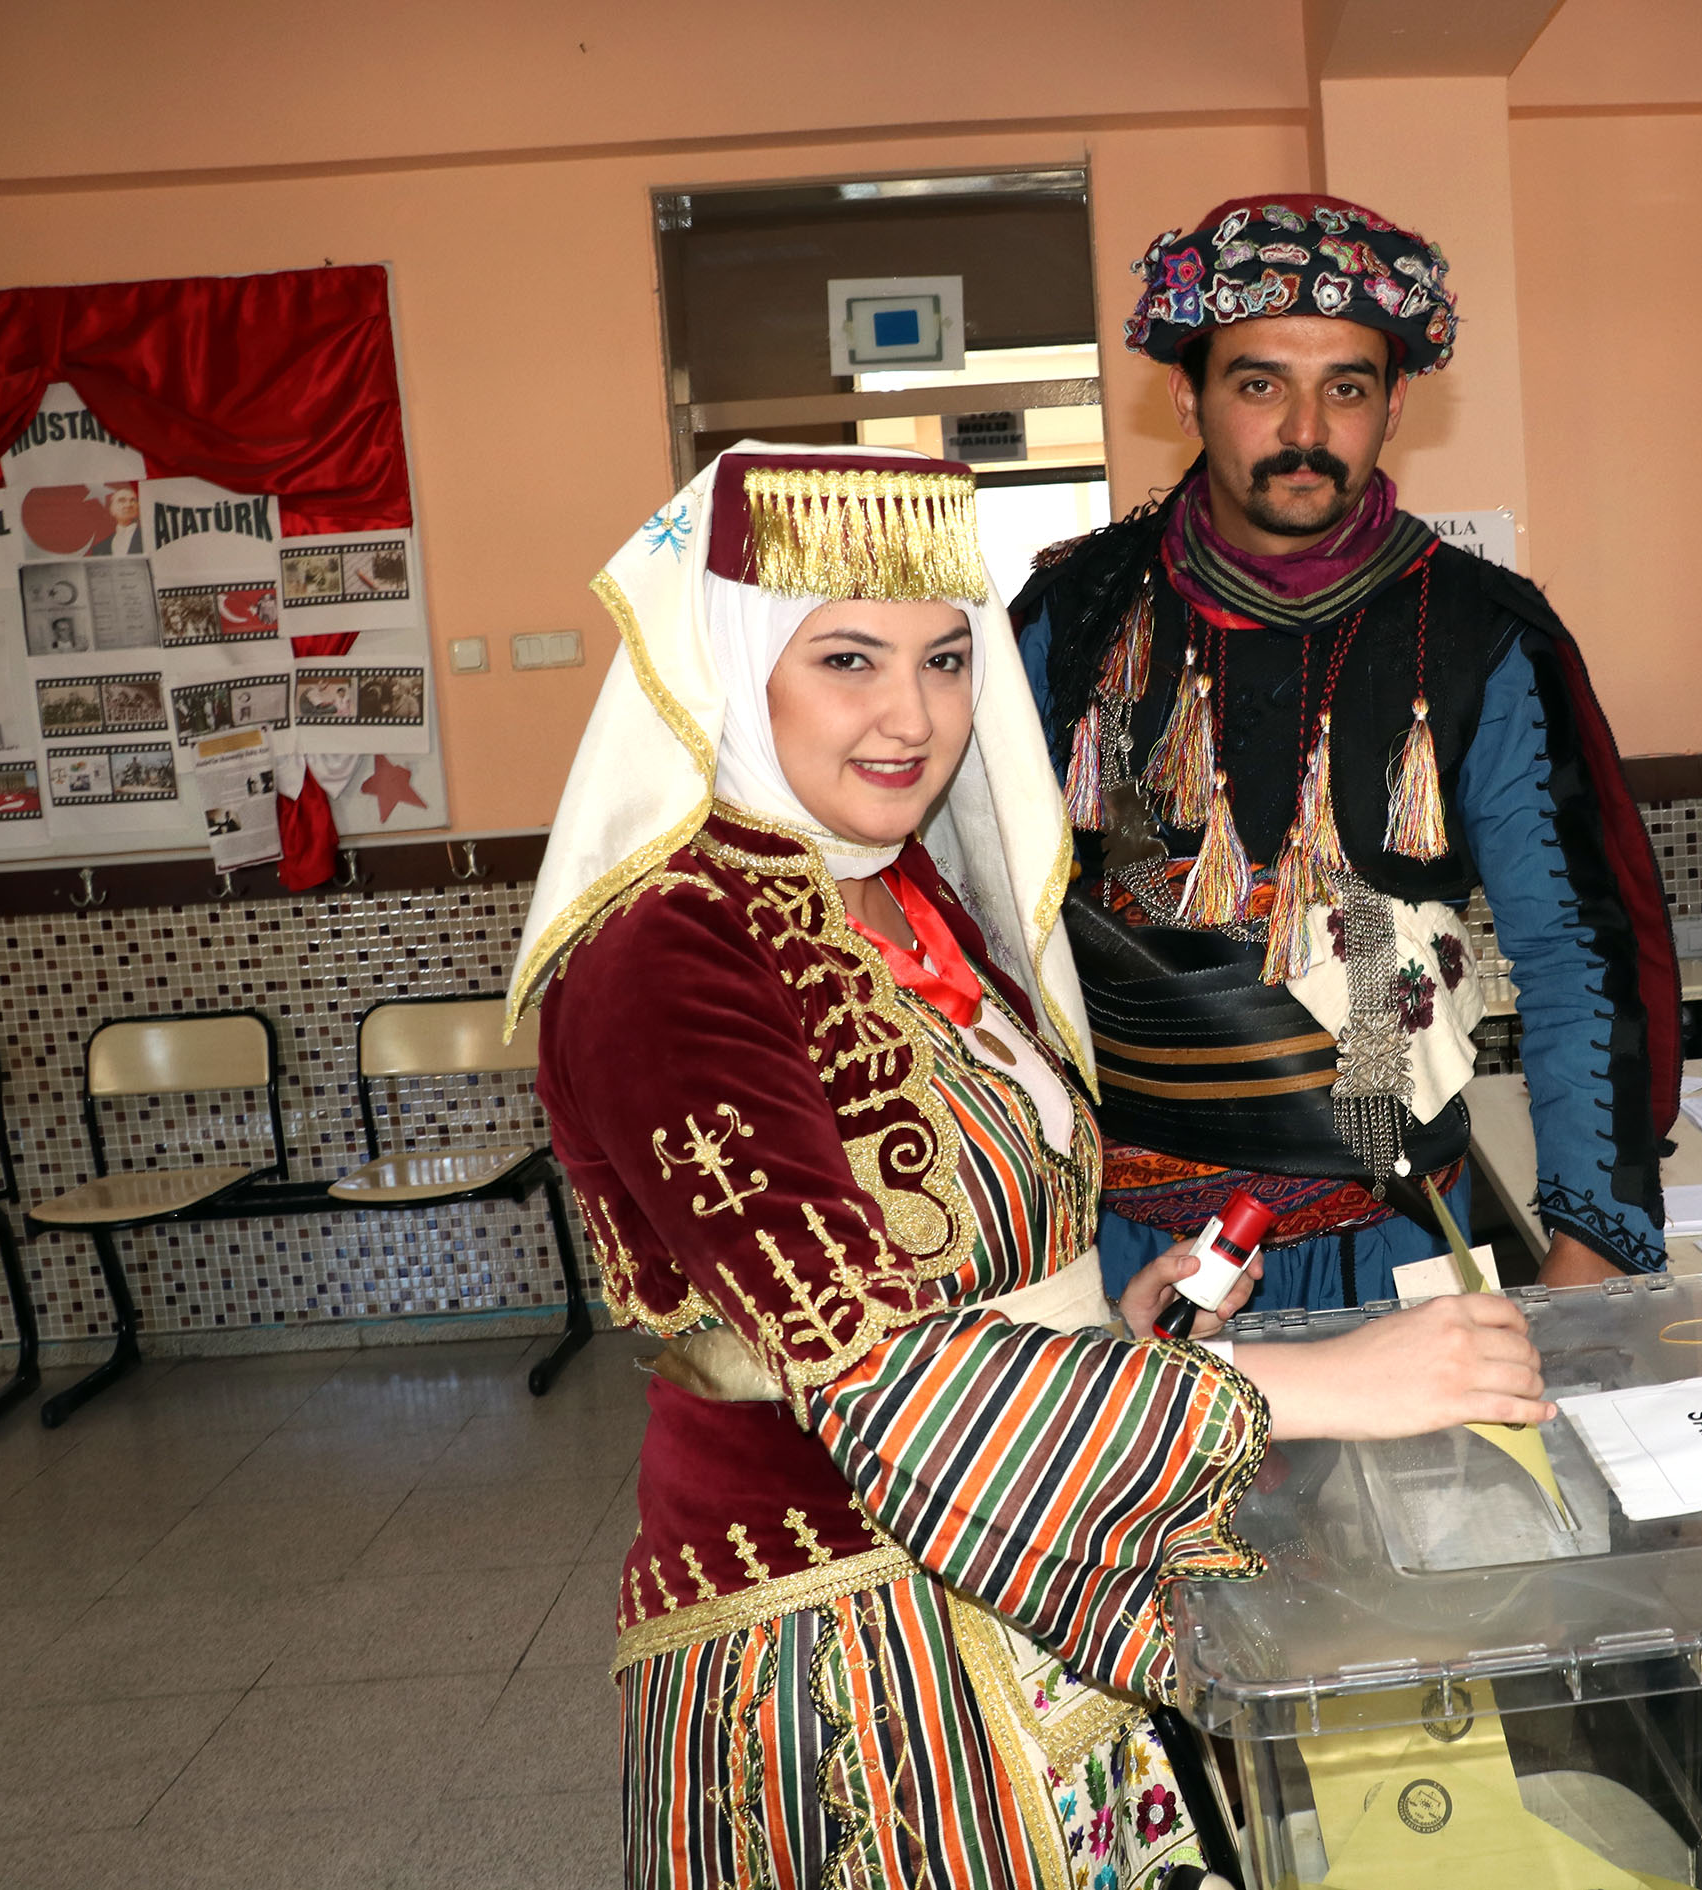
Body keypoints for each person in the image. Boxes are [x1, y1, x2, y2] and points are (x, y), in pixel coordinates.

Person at [511, 443, 1558, 1888]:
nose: (912, 716)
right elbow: (870, 1369)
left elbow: (967, 1253)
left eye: (947, 659)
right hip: (849, 1634)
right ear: (729, 668)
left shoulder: (900, 886)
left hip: (1035, 1561)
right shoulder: (664, 956)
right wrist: (1331, 1383)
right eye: (847, 660)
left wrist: (1112, 1320)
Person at [1014, 194, 1681, 1312]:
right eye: (1259, 385)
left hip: (1390, 1230)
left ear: (1394, 404)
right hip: (1119, 1244)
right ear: (1187, 395)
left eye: (1347, 389)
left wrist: (1591, 1239)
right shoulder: (1073, 614)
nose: (1305, 431)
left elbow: (1576, 955)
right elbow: (984, 927)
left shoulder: (1482, 633)